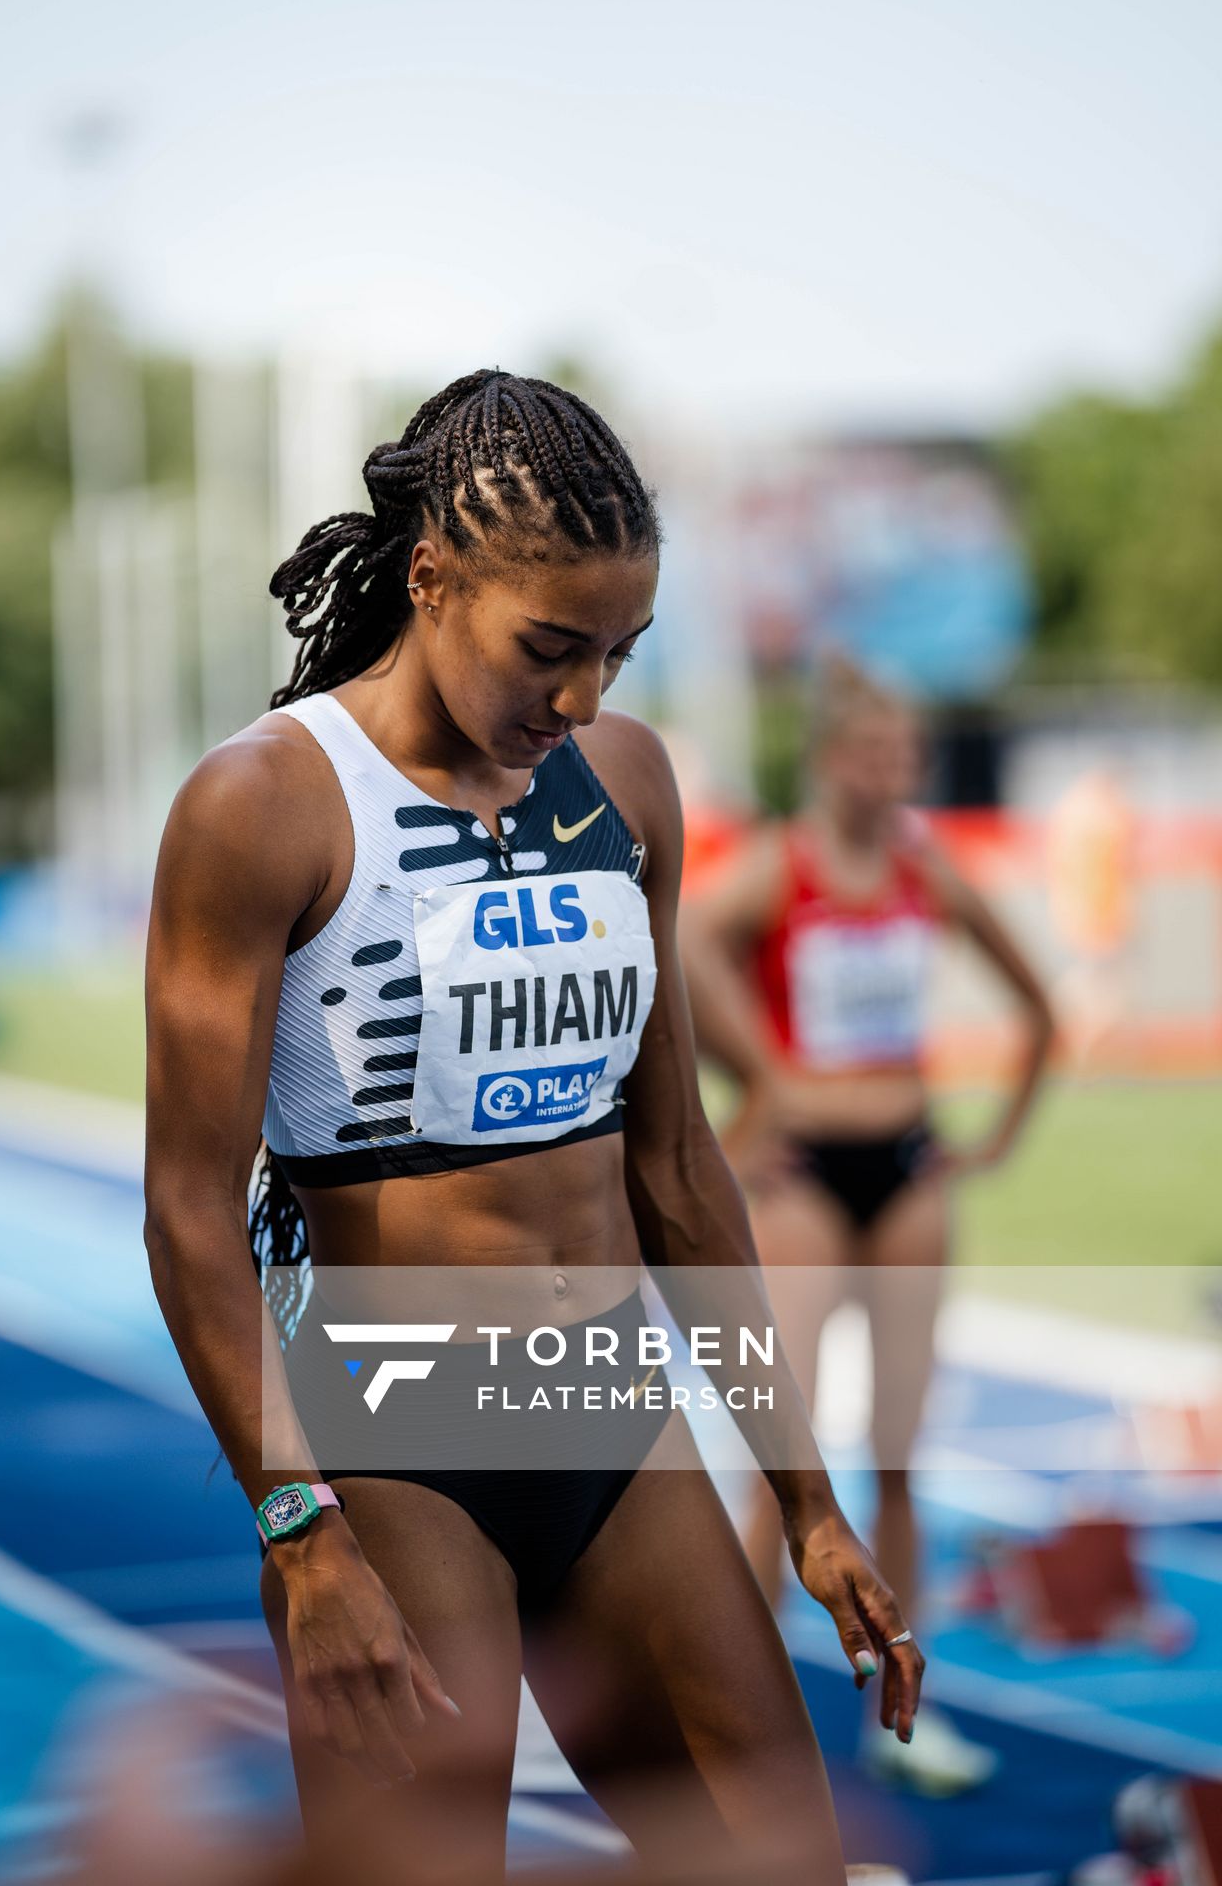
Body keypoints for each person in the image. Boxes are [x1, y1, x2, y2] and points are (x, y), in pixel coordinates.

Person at [143, 374, 924, 1884]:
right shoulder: (267, 804)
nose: (581, 703)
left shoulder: (623, 782)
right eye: (548, 650)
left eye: (619, 655)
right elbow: (186, 1211)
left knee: (783, 1862)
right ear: (432, 578)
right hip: (394, 1437)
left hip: (611, 1410)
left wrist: (806, 1499)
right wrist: (302, 1538)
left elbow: (678, 1165)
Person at [679, 655, 1053, 1796]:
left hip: (904, 1170)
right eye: (874, 754)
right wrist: (764, 1079)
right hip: (799, 1176)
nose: (893, 773)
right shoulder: (775, 869)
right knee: (778, 1463)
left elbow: (1036, 1005)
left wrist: (990, 1140)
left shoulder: (922, 868)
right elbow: (683, 949)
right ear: (830, 759)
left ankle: (908, 1712)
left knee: (896, 1454)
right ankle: (729, 1727)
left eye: (908, 757)